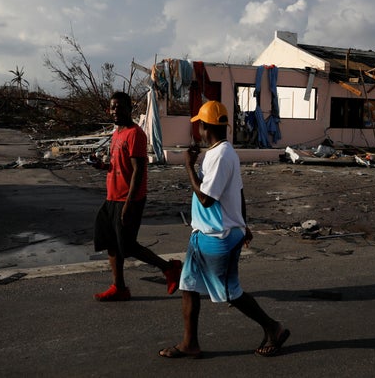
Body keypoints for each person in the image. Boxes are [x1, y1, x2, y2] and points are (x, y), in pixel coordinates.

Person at [159, 100, 290, 358]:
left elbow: (207, 199)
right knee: (188, 287)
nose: (197, 129)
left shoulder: (220, 156)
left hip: (219, 237)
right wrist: (244, 223)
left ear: (206, 127)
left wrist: (187, 165)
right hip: (203, 235)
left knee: (231, 292)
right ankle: (190, 343)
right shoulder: (222, 152)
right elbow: (238, 193)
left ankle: (273, 327)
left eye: (199, 125)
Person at [91, 91, 182, 302]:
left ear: (129, 109)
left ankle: (169, 268)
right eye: (112, 107)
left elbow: (139, 171)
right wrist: (102, 165)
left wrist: (129, 205)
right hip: (112, 197)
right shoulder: (117, 133)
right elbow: (117, 166)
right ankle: (119, 287)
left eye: (120, 107)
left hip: (128, 199)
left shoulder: (135, 134)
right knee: (110, 242)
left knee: (128, 246)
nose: (115, 111)